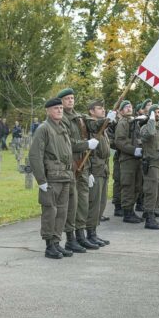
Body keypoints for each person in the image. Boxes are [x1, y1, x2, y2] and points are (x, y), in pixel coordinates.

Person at [28, 98, 74, 259]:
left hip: (65, 176)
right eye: (56, 108)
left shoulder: (62, 127)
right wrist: (41, 180)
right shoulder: (44, 129)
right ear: (48, 111)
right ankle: (49, 246)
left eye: (61, 108)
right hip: (52, 177)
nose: (60, 110)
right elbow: (35, 155)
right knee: (50, 211)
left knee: (62, 211)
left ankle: (56, 242)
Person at [57, 87, 101, 252]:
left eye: (72, 98)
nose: (70, 101)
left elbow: (94, 125)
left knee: (82, 202)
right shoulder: (62, 119)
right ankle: (70, 238)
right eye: (67, 98)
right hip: (72, 166)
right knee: (71, 204)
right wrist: (86, 144)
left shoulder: (79, 117)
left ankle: (81, 235)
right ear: (61, 101)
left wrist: (106, 120)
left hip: (83, 165)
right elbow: (68, 143)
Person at [84, 99, 111, 246]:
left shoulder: (103, 127)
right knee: (93, 204)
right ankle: (89, 234)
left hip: (103, 169)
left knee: (101, 204)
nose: (103, 110)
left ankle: (94, 232)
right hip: (94, 170)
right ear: (91, 111)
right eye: (99, 109)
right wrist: (88, 172)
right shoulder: (89, 124)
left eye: (103, 108)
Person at [140, 104, 159, 230]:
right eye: (155, 112)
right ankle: (149, 219)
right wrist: (150, 119)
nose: (157, 114)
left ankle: (153, 214)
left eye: (158, 112)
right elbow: (150, 134)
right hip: (151, 164)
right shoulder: (146, 128)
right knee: (151, 191)